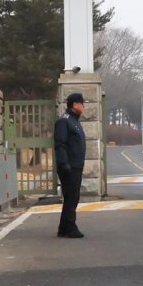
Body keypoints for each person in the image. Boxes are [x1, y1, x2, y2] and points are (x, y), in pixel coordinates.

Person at [54, 92, 87, 238]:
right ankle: (71, 227)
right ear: (75, 105)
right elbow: (60, 144)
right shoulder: (64, 121)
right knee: (72, 197)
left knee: (71, 197)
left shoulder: (74, 120)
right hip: (69, 166)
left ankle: (63, 228)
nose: (84, 106)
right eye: (82, 103)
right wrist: (63, 163)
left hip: (76, 165)